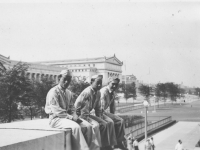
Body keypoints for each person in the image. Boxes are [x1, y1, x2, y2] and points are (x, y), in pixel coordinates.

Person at [45, 70, 99, 150]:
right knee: (76, 127)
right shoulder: (53, 92)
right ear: (59, 78)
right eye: (65, 79)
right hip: (56, 119)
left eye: (69, 80)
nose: (67, 82)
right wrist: (72, 118)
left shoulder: (68, 93)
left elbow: (72, 108)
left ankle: (94, 148)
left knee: (88, 126)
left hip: (67, 118)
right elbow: (57, 111)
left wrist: (75, 116)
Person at [75, 75, 116, 150]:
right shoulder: (87, 92)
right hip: (82, 115)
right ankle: (95, 147)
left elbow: (98, 109)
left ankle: (104, 146)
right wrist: (78, 117)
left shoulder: (98, 93)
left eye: (100, 83)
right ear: (91, 82)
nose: (99, 85)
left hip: (88, 115)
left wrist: (100, 118)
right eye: (97, 83)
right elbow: (77, 106)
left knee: (104, 124)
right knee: (96, 125)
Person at [100, 77, 127, 149]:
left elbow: (112, 107)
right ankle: (116, 142)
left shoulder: (112, 92)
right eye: (113, 84)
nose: (115, 86)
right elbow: (101, 107)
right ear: (108, 83)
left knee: (119, 121)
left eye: (116, 84)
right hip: (98, 112)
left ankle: (118, 141)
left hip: (104, 112)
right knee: (113, 121)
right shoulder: (104, 91)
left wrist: (113, 115)